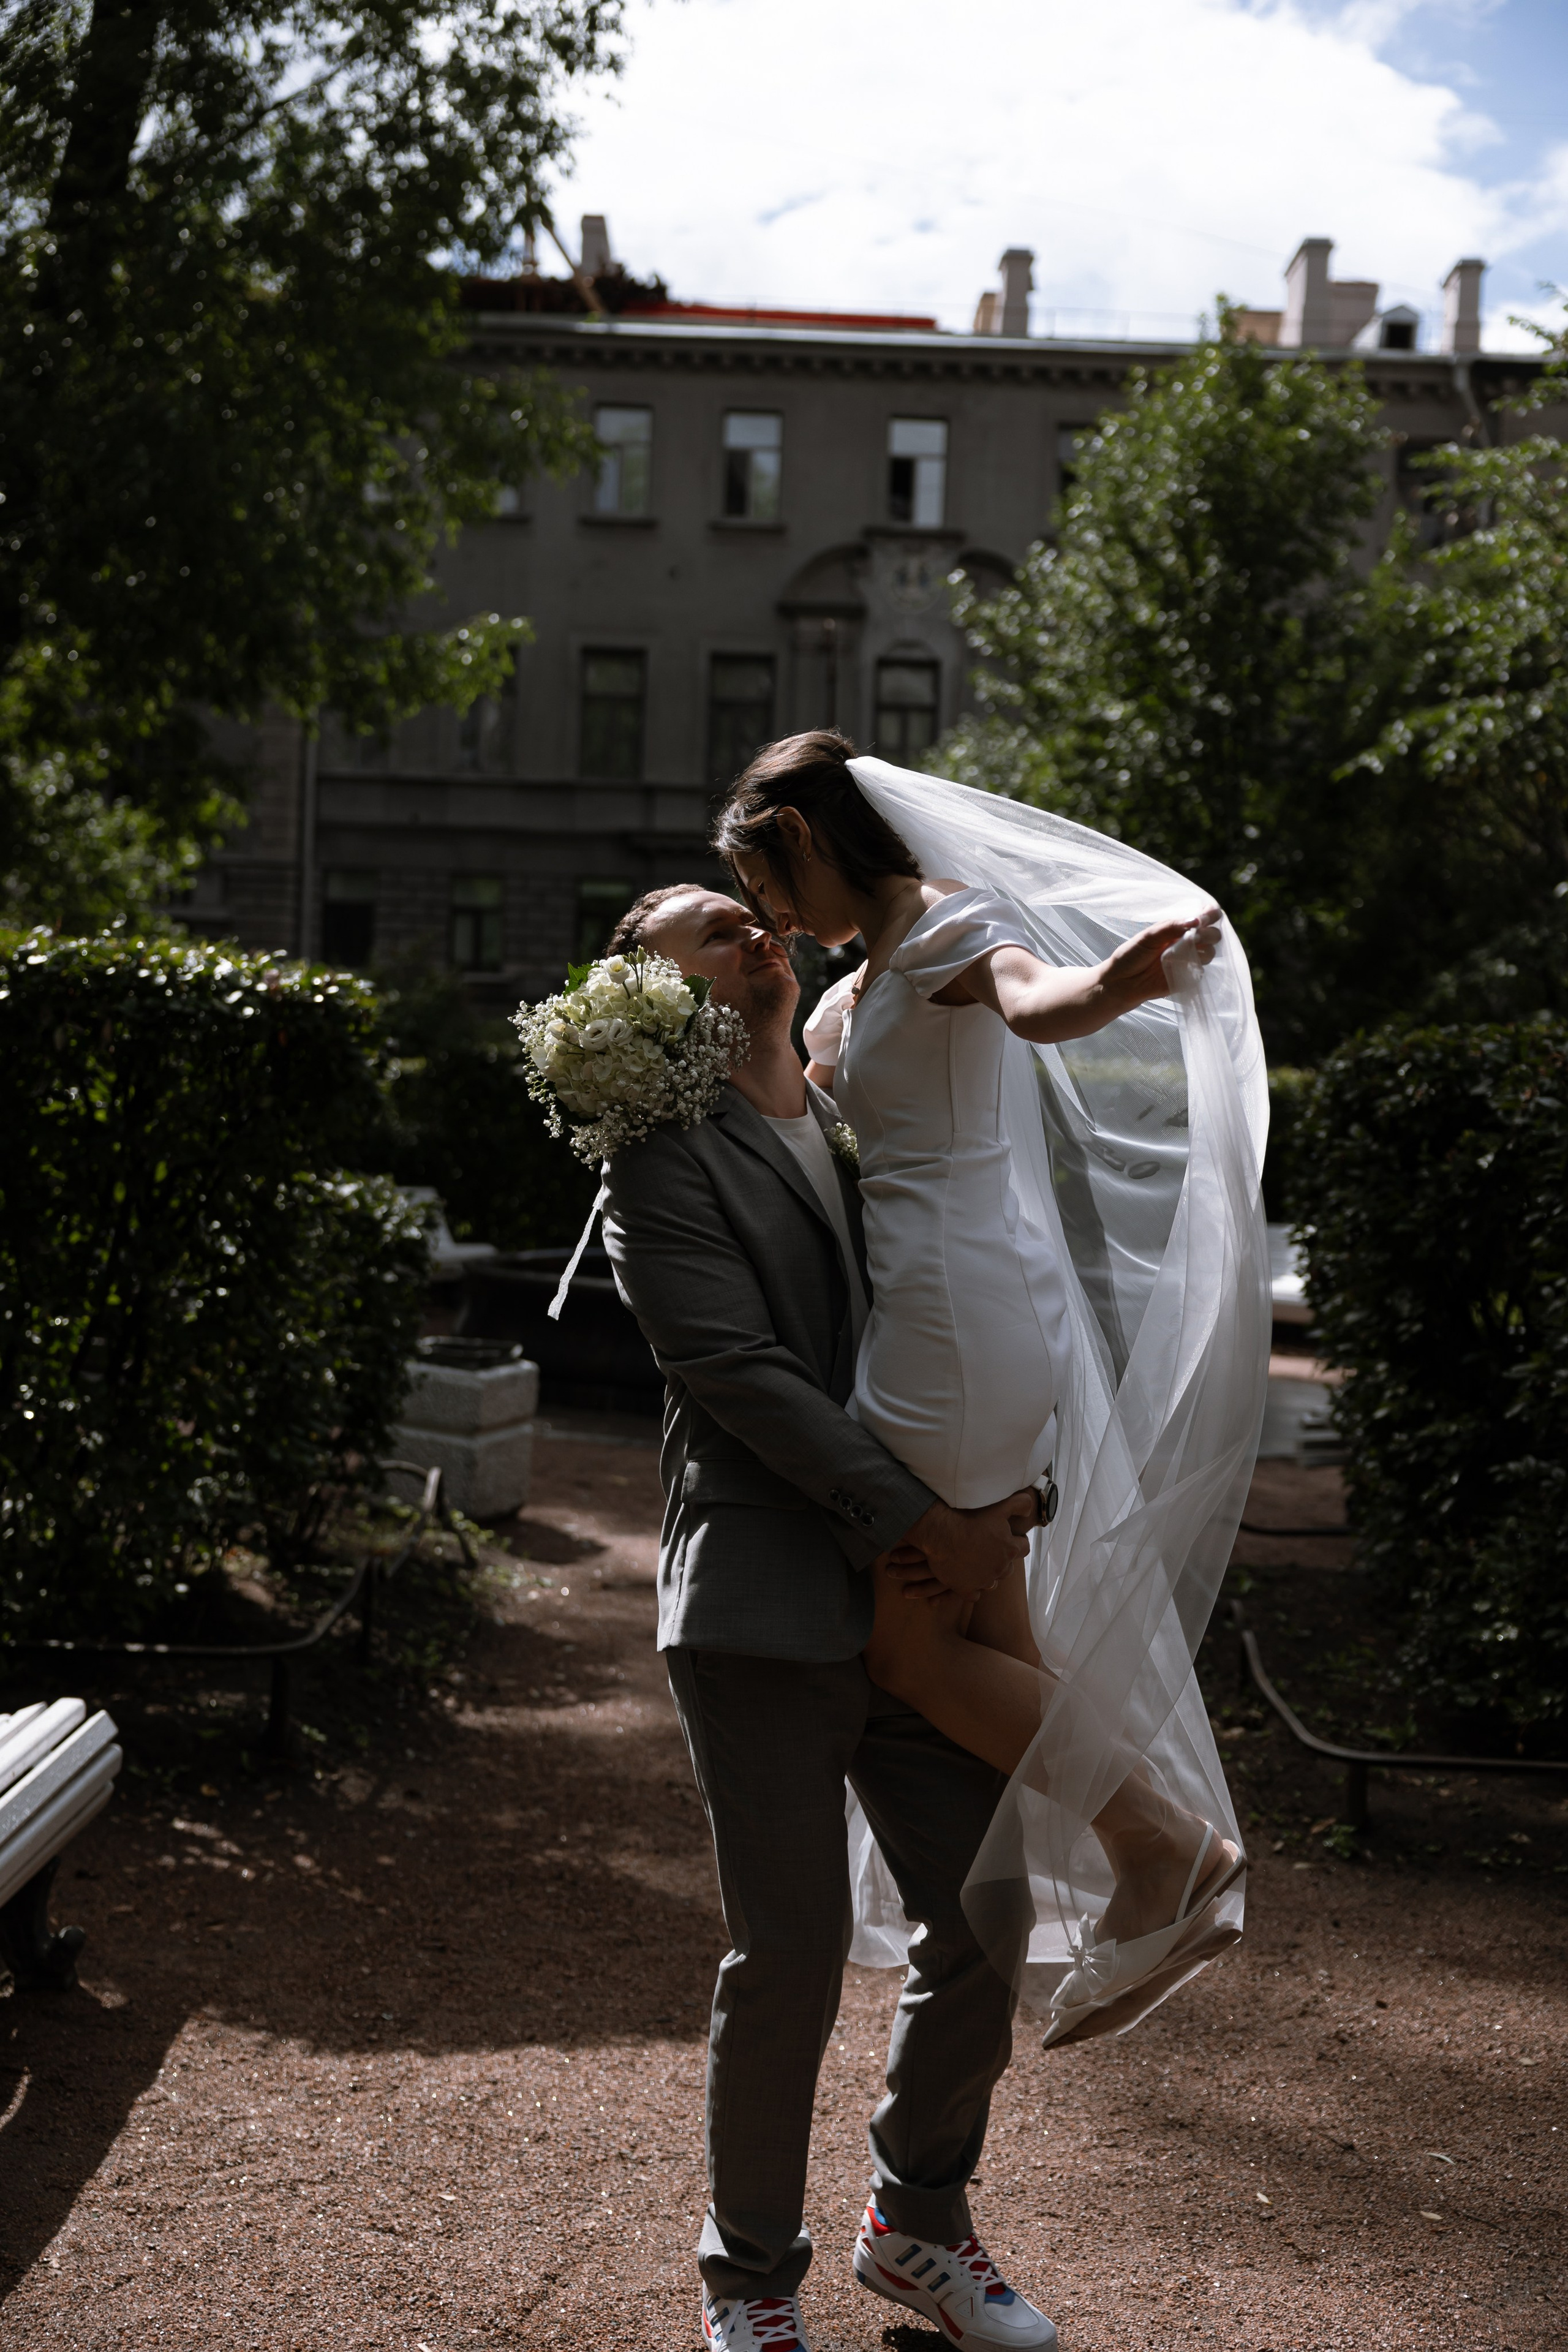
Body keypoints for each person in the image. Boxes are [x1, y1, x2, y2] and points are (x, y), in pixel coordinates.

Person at [712, 733, 1268, 2045]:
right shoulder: (867, 978)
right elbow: (806, 1114)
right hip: (948, 1313)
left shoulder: (951, 931)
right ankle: (1068, 1904)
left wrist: (1117, 984)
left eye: (770, 883)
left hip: (952, 1327)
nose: (775, 919)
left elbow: (1035, 1000)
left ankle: (1161, 1851)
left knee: (908, 1647)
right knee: (997, 1639)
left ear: (807, 836)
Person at [599, 883, 1062, 2352]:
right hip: (766, 1601)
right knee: (787, 1952)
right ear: (648, 994)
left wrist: (1008, 1498)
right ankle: (749, 2281)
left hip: (929, 1589)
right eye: (710, 928)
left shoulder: (864, 1112)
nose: (757, 931)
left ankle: (915, 2228)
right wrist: (923, 1524)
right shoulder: (653, 1161)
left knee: (986, 1909)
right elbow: (736, 1370)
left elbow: (962, 1300)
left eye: (756, 914)